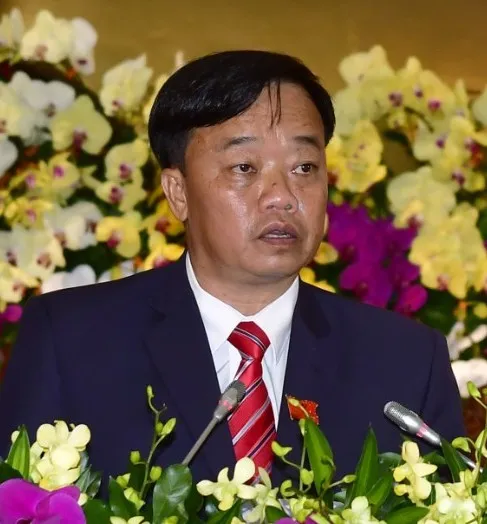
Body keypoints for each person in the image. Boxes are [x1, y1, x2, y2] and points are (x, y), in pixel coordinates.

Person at [0, 50, 464, 486]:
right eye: (244, 167)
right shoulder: (71, 340)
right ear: (178, 193)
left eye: (305, 167)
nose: (282, 196)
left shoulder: (404, 361)